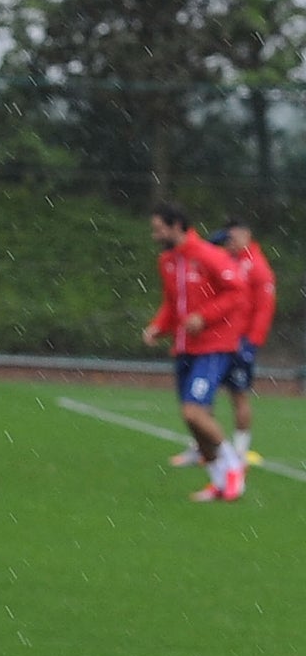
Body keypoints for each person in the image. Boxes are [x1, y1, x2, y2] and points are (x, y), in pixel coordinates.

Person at [143, 202, 249, 503]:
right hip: (185, 347)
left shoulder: (207, 255)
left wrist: (206, 316)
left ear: (177, 225)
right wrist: (157, 327)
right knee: (191, 418)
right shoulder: (167, 261)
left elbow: (237, 290)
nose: (155, 235)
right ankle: (219, 483)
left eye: (159, 229)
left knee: (194, 411)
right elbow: (172, 305)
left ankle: (233, 464)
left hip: (213, 346)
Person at [178, 219, 275, 469]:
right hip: (221, 340)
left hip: (240, 342)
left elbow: (264, 309)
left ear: (246, 235)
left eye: (232, 238)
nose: (229, 243)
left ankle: (240, 451)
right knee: (202, 396)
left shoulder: (258, 267)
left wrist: (251, 343)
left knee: (238, 395)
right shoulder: (227, 260)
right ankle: (204, 448)